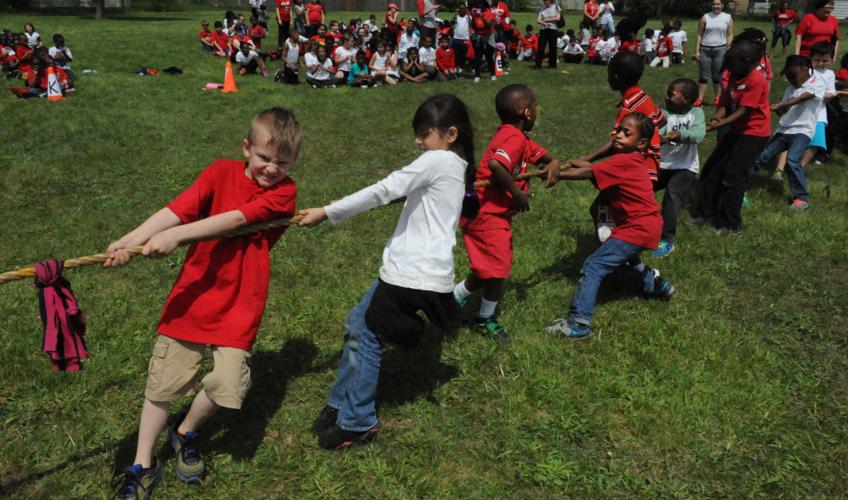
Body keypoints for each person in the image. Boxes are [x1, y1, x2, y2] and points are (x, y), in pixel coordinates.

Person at [107, 108, 300, 499]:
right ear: (246, 148)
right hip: (195, 294)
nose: (271, 169)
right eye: (264, 158)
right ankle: (143, 464)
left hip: (240, 302)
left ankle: (184, 431)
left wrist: (178, 237)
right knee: (164, 385)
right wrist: (131, 238)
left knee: (228, 385)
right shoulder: (219, 172)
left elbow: (233, 220)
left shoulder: (284, 193)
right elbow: (177, 208)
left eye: (282, 162)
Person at [298, 94, 477, 450]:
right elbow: (406, 193)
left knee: (366, 336)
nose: (419, 141)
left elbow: (386, 188)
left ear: (450, 134)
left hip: (409, 274)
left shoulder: (437, 159)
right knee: (356, 323)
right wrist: (341, 203)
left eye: (425, 133)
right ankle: (339, 403)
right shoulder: (456, 166)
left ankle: (357, 421)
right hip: (420, 272)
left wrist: (327, 213)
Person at [546, 113, 675, 340]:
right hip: (643, 225)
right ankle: (654, 285)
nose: (619, 135)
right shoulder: (631, 161)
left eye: (627, 133)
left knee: (594, 265)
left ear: (642, 143)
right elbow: (595, 171)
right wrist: (583, 164)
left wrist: (558, 174)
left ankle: (579, 323)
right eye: (619, 131)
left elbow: (588, 173)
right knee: (615, 263)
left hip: (637, 228)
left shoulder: (624, 161)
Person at [454, 85, 560, 340]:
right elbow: (496, 165)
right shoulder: (512, 138)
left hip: (487, 214)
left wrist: (554, 163)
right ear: (527, 112)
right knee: (498, 268)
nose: (537, 113)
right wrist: (517, 193)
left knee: (486, 268)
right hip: (485, 214)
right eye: (535, 108)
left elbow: (544, 156)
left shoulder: (517, 137)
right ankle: (485, 318)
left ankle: (451, 301)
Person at [576, 51, 664, 243]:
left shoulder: (629, 107)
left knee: (611, 214)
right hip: (648, 168)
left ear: (615, 78)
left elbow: (616, 143)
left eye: (609, 74)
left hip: (635, 170)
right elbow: (660, 120)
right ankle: (624, 255)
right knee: (613, 211)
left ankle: (615, 255)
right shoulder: (644, 98)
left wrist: (589, 158)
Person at [692, 41, 770, 234]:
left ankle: (729, 224)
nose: (728, 67)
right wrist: (715, 118)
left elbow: (745, 110)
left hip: (754, 134)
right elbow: (725, 104)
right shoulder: (734, 76)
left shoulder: (756, 80)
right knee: (712, 170)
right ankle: (704, 212)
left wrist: (721, 124)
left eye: (732, 63)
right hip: (736, 129)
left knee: (734, 176)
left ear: (748, 62)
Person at [751, 55, 825, 212]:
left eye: (794, 76)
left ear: (805, 70)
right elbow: (786, 110)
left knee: (792, 160)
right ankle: (739, 183)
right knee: (762, 156)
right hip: (784, 129)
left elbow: (806, 96)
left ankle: (801, 198)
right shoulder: (790, 89)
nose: (792, 80)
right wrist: (780, 109)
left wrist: (784, 103)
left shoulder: (817, 83)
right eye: (789, 77)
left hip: (803, 130)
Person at [653, 79, 705, 257]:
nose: (666, 97)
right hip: (662, 165)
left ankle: (666, 240)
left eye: (671, 94)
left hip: (685, 166)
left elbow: (699, 134)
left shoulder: (696, 113)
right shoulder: (664, 114)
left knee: (672, 194)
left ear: (687, 98)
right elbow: (655, 132)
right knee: (641, 188)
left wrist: (680, 134)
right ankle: (636, 225)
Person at [801, 42, 838, 167]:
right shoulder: (806, 71)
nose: (821, 63)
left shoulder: (829, 74)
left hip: (819, 112)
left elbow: (831, 92)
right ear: (810, 58)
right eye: (817, 60)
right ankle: (792, 159)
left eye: (825, 60)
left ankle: (800, 165)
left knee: (817, 140)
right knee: (798, 136)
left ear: (832, 60)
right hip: (802, 110)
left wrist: (817, 94)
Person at [695, 0, 734, 106]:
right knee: (703, 76)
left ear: (722, 5)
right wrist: (697, 51)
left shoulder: (727, 17)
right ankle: (700, 99)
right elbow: (699, 35)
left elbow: (729, 34)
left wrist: (729, 48)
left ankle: (718, 97)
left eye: (718, 4)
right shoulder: (705, 17)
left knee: (717, 76)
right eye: (714, 4)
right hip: (705, 49)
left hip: (720, 50)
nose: (716, 6)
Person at [470, 0, 498, 82]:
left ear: (484, 7)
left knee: (489, 57)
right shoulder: (475, 15)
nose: (479, 7)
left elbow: (489, 25)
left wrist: (483, 18)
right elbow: (473, 26)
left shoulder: (490, 14)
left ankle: (492, 74)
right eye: (477, 6)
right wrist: (474, 17)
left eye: (480, 5)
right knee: (478, 57)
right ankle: (477, 75)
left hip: (488, 37)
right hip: (478, 37)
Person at [535, 0, 561, 70]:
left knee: (552, 48)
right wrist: (544, 23)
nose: (545, 1)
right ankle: (538, 65)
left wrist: (546, 20)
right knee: (540, 48)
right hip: (543, 30)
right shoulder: (542, 9)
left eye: (546, 0)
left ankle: (552, 65)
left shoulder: (556, 7)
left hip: (553, 30)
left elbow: (558, 18)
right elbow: (538, 20)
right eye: (544, 0)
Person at [451, 4, 472, 73]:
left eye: (463, 9)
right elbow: (452, 22)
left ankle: (462, 67)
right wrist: (455, 14)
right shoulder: (456, 17)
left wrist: (469, 36)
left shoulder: (467, 17)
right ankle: (457, 67)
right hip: (456, 38)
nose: (462, 10)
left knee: (464, 55)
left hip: (465, 38)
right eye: (461, 8)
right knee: (456, 54)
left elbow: (471, 24)